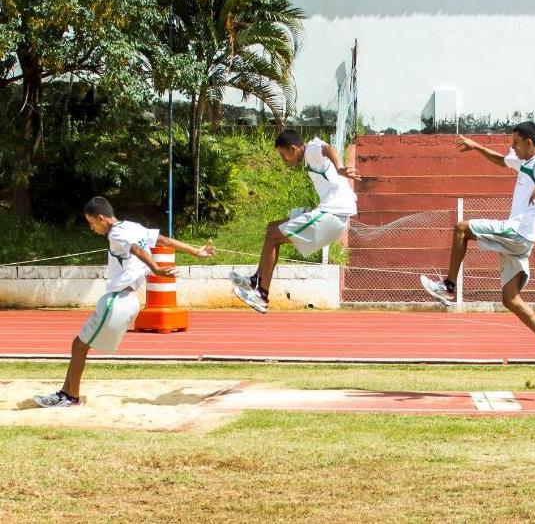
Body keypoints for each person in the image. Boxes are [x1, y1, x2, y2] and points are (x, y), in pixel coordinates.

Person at [419, 122, 535, 376]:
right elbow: (502, 160)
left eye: (516, 143)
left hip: (517, 231)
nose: (512, 147)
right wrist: (476, 146)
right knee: (509, 298)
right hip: (521, 240)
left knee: (461, 228)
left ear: (529, 143)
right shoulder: (521, 161)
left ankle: (448, 287)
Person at [33, 196, 214, 407]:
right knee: (79, 345)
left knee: (79, 346)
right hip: (127, 300)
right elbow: (163, 240)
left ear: (101, 218)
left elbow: (136, 248)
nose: (92, 228)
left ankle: (71, 397)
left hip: (118, 300)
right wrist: (195, 251)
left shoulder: (117, 234)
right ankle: (67, 393)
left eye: (92, 223)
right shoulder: (132, 226)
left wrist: (155, 269)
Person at [231, 130, 359, 313]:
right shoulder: (309, 157)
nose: (285, 161)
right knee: (272, 228)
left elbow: (328, 149)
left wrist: (339, 167)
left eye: (284, 156)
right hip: (329, 214)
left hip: (332, 215)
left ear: (293, 148)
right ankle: (256, 280)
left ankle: (261, 294)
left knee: (274, 236)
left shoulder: (310, 150)